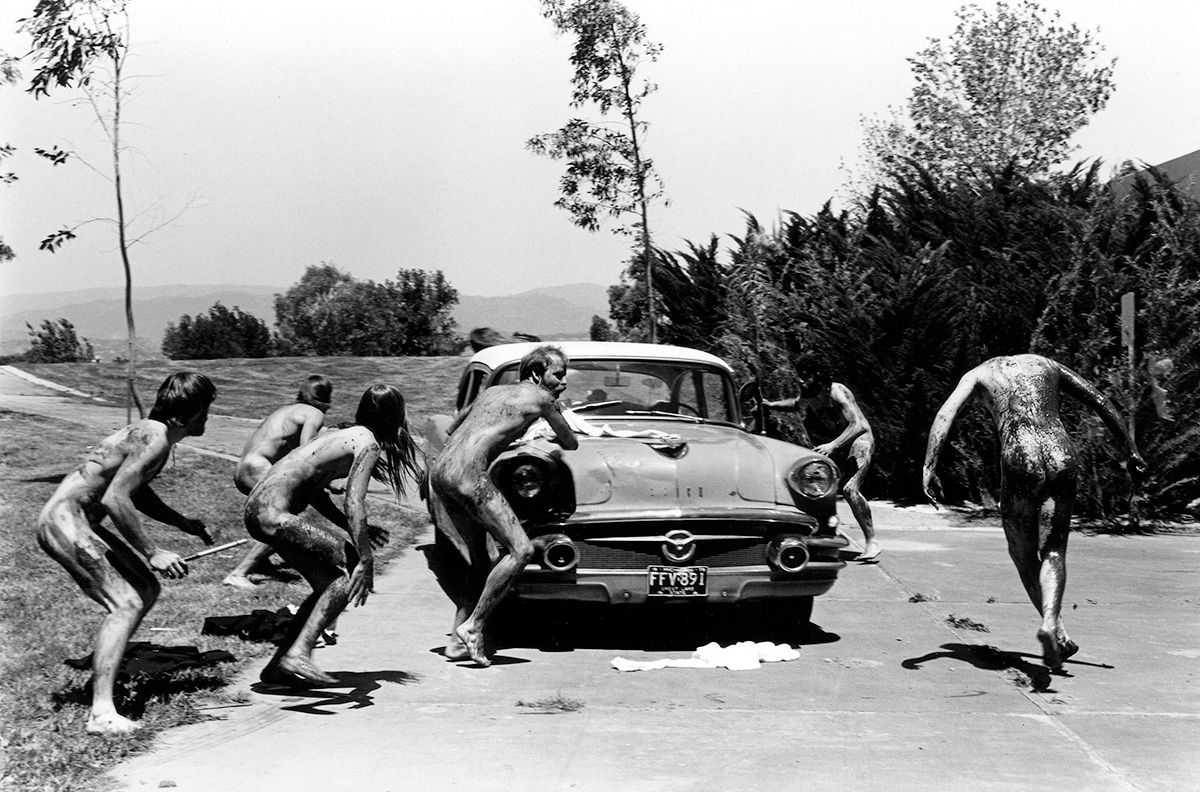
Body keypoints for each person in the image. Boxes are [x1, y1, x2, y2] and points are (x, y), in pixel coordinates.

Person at [922, 354, 1146, 671]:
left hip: (1019, 451)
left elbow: (946, 414)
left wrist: (929, 467)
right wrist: (1131, 449)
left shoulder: (979, 373)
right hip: (1059, 450)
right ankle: (1055, 626)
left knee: (1022, 551)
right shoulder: (1046, 364)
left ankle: (1051, 625)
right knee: (1054, 549)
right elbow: (1099, 399)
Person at [36, 372, 219, 734]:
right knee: (126, 603)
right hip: (64, 521)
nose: (208, 418)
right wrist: (152, 552)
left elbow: (136, 490)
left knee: (146, 590)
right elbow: (115, 498)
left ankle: (107, 679)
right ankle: (101, 713)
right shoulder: (156, 439)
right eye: (205, 410)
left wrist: (182, 522)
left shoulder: (151, 433)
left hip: (76, 521)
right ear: (185, 415)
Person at [244, 384, 421, 688]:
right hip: (272, 514)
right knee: (347, 570)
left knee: (326, 583)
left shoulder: (338, 434)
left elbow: (314, 492)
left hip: (260, 510)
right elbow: (355, 501)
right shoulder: (367, 443)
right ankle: (297, 654)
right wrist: (365, 557)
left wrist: (347, 527)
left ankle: (279, 667)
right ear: (395, 417)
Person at [429, 345, 579, 666]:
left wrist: (502, 434)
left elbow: (455, 426)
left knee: (483, 560)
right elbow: (571, 442)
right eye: (559, 375)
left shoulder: (494, 390)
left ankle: (457, 638)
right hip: (468, 473)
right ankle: (474, 626)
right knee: (520, 551)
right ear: (538, 374)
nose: (563, 383)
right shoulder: (543, 399)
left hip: (441, 471)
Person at [763, 354, 880, 561]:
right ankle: (821, 533)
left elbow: (857, 425)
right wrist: (770, 405)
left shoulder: (837, 391)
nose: (800, 380)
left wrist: (832, 445)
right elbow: (795, 405)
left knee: (850, 489)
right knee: (815, 485)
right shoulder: (810, 393)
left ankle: (872, 542)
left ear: (818, 376)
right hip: (838, 445)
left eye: (805, 376)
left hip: (859, 441)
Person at [223, 375, 333, 589]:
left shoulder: (287, 410)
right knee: (283, 519)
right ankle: (239, 573)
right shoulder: (314, 413)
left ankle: (262, 562)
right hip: (259, 468)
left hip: (244, 468)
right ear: (325, 398)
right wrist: (327, 482)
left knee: (278, 516)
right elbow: (307, 454)